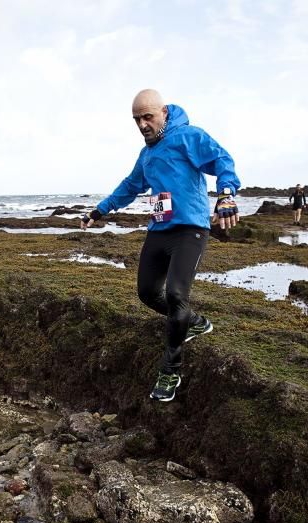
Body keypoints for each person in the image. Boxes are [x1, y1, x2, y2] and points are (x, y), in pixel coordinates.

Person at [81, 89, 240, 402]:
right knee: (147, 293)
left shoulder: (188, 137)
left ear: (164, 112)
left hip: (190, 229)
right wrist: (99, 210)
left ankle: (171, 370)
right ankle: (195, 322)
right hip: (159, 229)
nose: (142, 124)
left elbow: (222, 158)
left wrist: (226, 193)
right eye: (136, 119)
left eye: (148, 116)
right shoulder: (147, 154)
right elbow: (130, 186)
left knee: (177, 294)